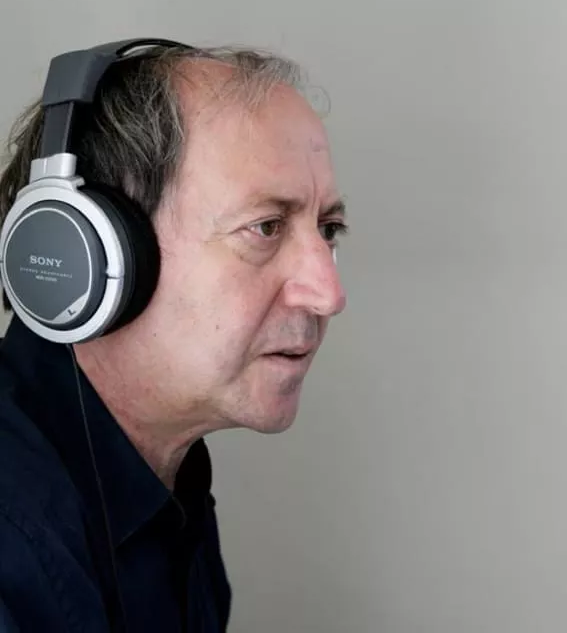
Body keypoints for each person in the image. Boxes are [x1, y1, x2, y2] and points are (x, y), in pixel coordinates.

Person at [0, 39, 347, 631]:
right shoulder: (13, 543)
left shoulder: (168, 482)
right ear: (88, 251)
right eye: (266, 227)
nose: (328, 295)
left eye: (328, 228)